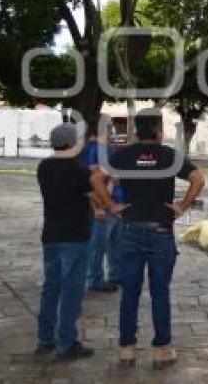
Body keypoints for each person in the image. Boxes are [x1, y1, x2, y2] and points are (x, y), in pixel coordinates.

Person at [109, 109, 205, 369]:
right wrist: (183, 206)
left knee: (129, 291)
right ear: (159, 132)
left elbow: (96, 178)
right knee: (160, 292)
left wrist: (111, 206)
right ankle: (162, 349)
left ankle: (127, 349)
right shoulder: (169, 156)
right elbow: (198, 178)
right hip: (160, 231)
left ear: (136, 132)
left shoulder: (123, 155)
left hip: (130, 230)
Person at [35, 123, 126, 362]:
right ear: (74, 143)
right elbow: (98, 195)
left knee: (50, 288)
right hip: (74, 237)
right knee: (71, 292)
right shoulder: (79, 172)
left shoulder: (44, 167)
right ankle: (67, 343)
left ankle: (45, 339)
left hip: (51, 236)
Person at [82, 124, 123, 293]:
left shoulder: (93, 148)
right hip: (107, 204)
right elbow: (93, 179)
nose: (112, 132)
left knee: (113, 243)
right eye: (109, 128)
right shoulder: (98, 149)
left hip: (111, 204)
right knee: (100, 244)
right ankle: (95, 279)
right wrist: (99, 206)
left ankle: (114, 276)